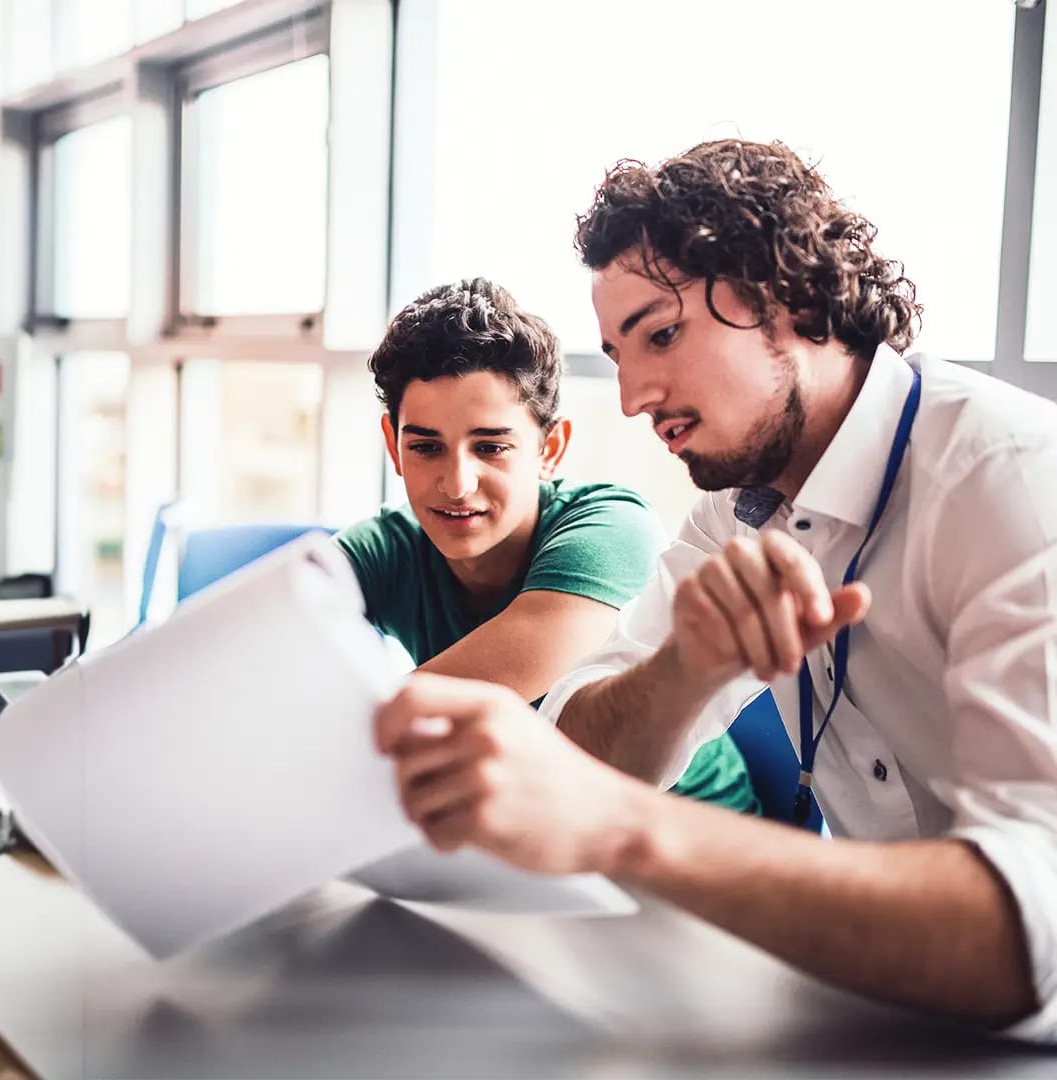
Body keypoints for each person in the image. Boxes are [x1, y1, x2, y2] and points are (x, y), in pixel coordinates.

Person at [373, 139, 1057, 1037]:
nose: (631, 395)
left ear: (793, 297)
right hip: (875, 1013)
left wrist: (623, 830)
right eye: (616, 352)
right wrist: (685, 669)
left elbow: (1030, 939)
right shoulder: (739, 508)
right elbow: (579, 746)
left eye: (661, 334)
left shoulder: (1010, 479)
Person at [338, 276, 755, 813]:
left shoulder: (611, 528)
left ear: (549, 449)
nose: (457, 483)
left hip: (692, 843)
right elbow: (269, 632)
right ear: (394, 449)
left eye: (490, 447)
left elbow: (407, 719)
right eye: (425, 447)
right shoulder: (389, 545)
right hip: (532, 835)